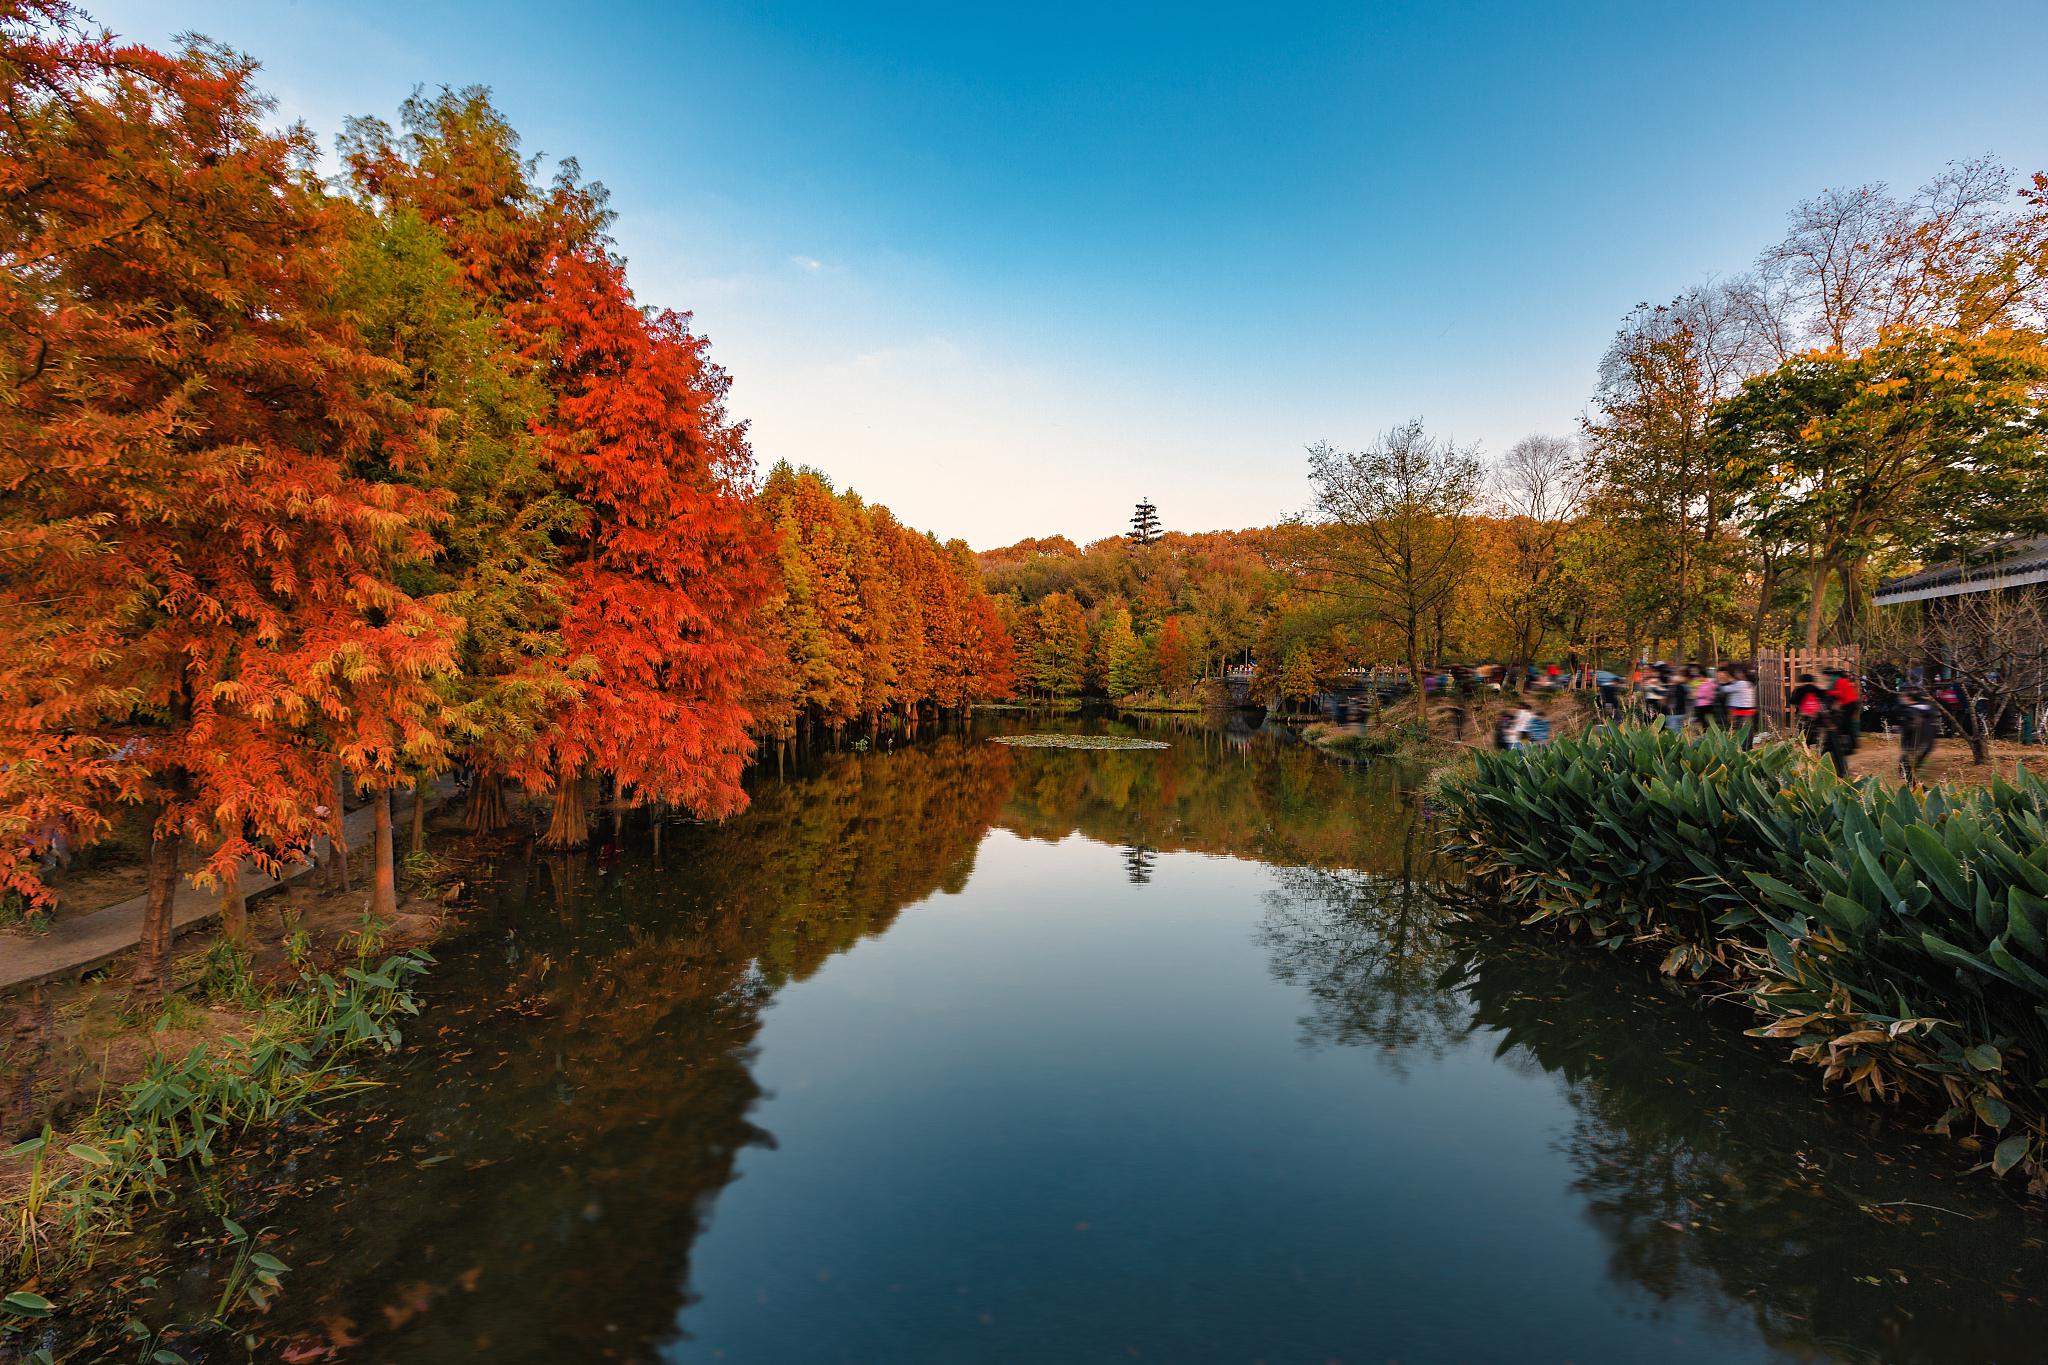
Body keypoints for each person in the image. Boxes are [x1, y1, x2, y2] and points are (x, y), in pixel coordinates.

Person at [1899, 688, 1939, 782]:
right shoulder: (1930, 707)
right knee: (1916, 760)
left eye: (1904, 697)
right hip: (1929, 741)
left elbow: (1908, 729)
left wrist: (1904, 742)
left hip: (1914, 740)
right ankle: (1911, 772)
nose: (1902, 699)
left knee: (1907, 761)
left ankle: (1909, 779)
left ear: (1910, 698)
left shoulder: (1909, 710)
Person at [1828, 668, 1862, 752]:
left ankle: (1849, 747)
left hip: (1849, 704)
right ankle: (1853, 745)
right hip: (1853, 703)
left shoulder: (1840, 681)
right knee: (1848, 724)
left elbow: (1840, 694)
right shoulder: (1845, 681)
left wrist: (1828, 692)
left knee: (1846, 725)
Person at [1724, 665, 1757, 747]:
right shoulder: (1749, 683)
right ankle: (1747, 746)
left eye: (1737, 673)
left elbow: (1725, 689)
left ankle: (1743, 747)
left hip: (1741, 711)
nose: (1736, 674)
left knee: (1742, 731)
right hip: (1748, 711)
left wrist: (1724, 681)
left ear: (1742, 674)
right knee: (1747, 730)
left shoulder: (1741, 683)